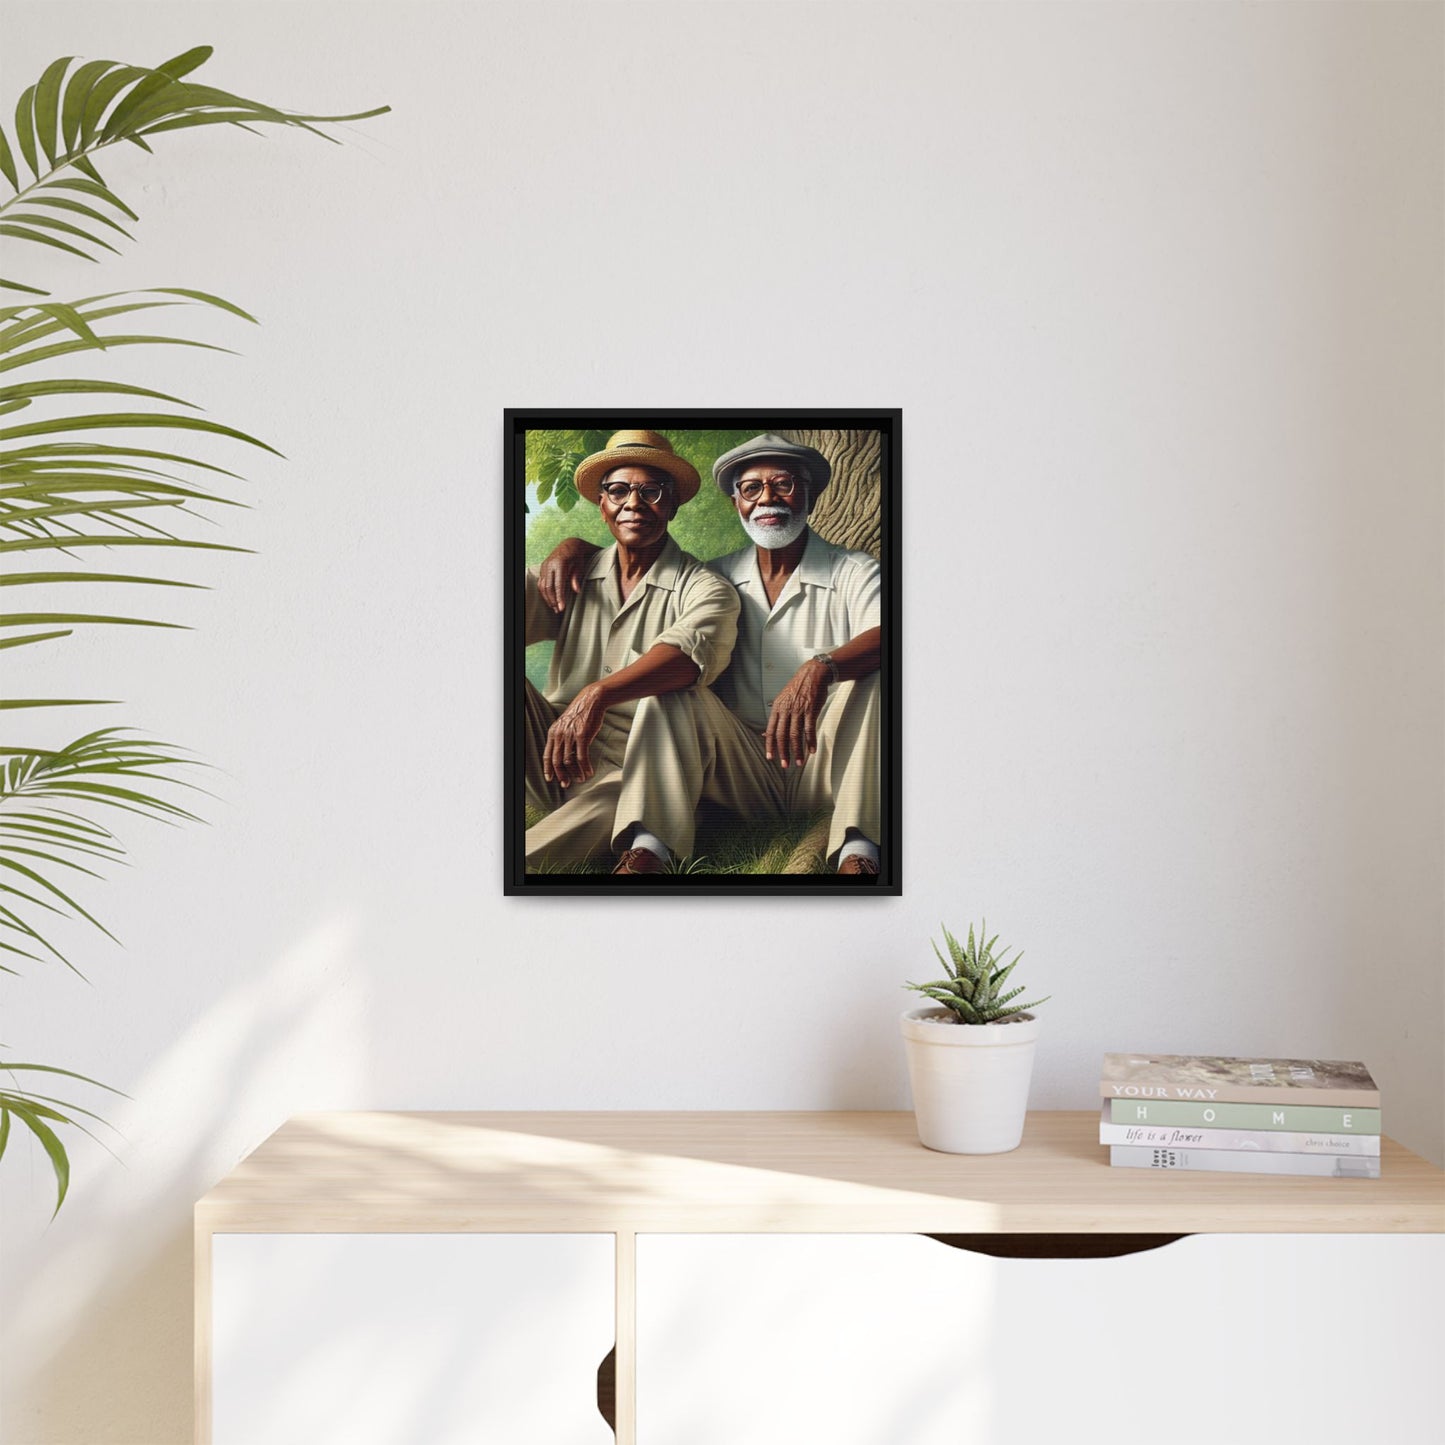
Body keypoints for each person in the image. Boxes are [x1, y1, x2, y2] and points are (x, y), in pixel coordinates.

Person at [537, 432, 882, 877]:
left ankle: (859, 850)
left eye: (784, 484)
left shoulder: (854, 570)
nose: (767, 498)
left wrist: (821, 668)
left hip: (828, 763)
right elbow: (633, 554)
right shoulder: (716, 576)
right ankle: (647, 853)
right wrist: (577, 547)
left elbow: (886, 632)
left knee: (874, 676)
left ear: (810, 494)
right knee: (676, 686)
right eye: (751, 488)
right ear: (736, 502)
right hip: (740, 771)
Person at [524, 429, 739, 874]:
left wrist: (596, 693)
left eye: (651, 491)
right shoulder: (572, 572)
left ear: (673, 503)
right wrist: (566, 548)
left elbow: (687, 658)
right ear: (601, 504)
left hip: (638, 773)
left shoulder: (706, 589)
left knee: (616, 806)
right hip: (553, 751)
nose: (633, 503)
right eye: (618, 490)